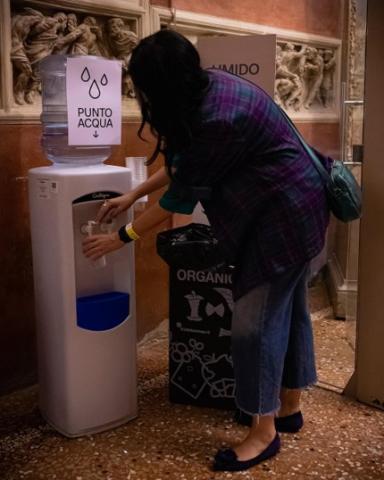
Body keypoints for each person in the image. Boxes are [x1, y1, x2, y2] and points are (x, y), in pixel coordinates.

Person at [82, 29, 331, 472]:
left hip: (284, 217)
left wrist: (120, 239)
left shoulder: (219, 118)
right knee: (288, 310)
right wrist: (133, 193)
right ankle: (288, 406)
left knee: (253, 326)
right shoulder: (207, 86)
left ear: (159, 85)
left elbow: (181, 192)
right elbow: (184, 160)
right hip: (295, 203)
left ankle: (263, 432)